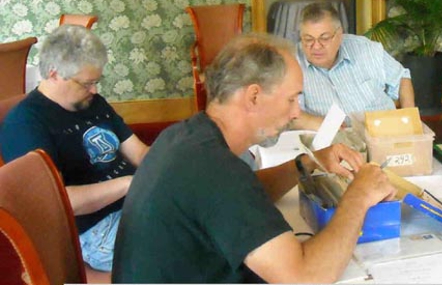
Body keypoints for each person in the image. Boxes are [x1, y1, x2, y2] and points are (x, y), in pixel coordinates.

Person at [112, 33, 396, 283]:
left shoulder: (187, 137)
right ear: (254, 97)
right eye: (291, 99)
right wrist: (358, 197)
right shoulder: (214, 170)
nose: (296, 112)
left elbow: (246, 195)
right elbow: (304, 278)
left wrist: (307, 163)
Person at [0, 25, 150, 273]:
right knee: (191, 246)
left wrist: (169, 163)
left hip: (135, 201)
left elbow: (139, 153)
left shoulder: (92, 102)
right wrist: (129, 183)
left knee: (206, 217)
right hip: (94, 229)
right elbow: (60, 202)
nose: (95, 90)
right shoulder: (25, 124)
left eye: (96, 81)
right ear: (54, 74)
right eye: (87, 83)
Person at [292, 1, 416, 130]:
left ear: (339, 35)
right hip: (332, 141)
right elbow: (288, 114)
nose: (316, 46)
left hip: (382, 133)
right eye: (308, 39)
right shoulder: (292, 63)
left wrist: (410, 120)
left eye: (324, 38)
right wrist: (316, 123)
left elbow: (402, 77)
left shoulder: (365, 49)